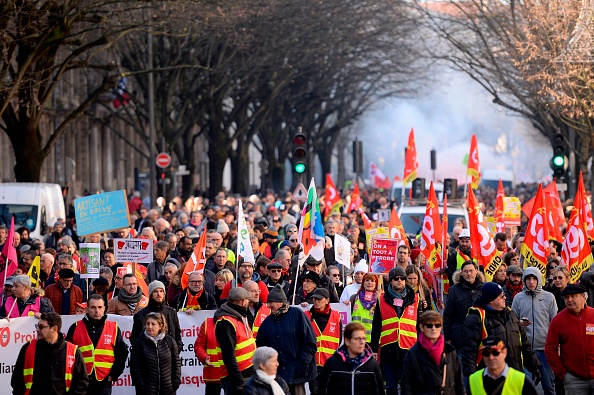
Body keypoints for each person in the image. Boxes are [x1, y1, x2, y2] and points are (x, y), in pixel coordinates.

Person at [460, 282, 540, 381]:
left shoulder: (511, 315)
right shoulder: (476, 318)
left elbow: (524, 344)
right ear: (491, 300)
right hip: (490, 379)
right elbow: (469, 351)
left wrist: (535, 366)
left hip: (514, 376)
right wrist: (471, 376)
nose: (505, 298)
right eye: (501, 296)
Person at [256, 284, 317, 395]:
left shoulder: (297, 314)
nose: (268, 305)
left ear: (280, 302)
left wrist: (301, 366)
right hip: (277, 376)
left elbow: (310, 343)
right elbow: (261, 347)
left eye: (271, 302)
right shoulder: (267, 323)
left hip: (296, 375)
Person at [11, 312, 89, 395]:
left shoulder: (73, 351)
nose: (37, 329)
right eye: (37, 326)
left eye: (41, 327)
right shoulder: (28, 347)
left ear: (55, 328)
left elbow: (81, 383)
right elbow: (17, 380)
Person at [370, 266, 420, 395]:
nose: (400, 281)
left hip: (409, 348)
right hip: (389, 348)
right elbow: (376, 326)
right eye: (396, 278)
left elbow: (420, 326)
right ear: (391, 281)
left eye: (402, 278)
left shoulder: (415, 299)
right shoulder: (381, 299)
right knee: (391, 387)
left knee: (407, 387)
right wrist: (374, 349)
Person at [66, 294, 129, 395]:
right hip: (81, 380)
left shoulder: (113, 328)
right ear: (87, 309)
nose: (97, 311)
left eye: (100, 307)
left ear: (104, 308)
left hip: (104, 380)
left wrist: (114, 374)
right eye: (93, 307)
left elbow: (122, 353)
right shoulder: (75, 327)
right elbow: (67, 354)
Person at [511, 266, 557, 395]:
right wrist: (520, 323)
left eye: (534, 279)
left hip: (544, 348)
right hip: (526, 350)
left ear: (539, 280)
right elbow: (512, 323)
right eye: (528, 279)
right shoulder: (518, 298)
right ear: (524, 280)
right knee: (527, 388)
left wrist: (555, 346)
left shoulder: (549, 297)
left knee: (548, 386)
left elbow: (554, 323)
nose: (531, 282)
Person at [401, 310, 466, 394]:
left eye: (437, 325)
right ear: (421, 327)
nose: (433, 329)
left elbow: (459, 385)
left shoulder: (450, 352)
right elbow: (406, 387)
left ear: (441, 327)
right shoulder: (413, 354)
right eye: (429, 325)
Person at [545, 283, 594, 394]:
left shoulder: (593, 315)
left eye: (573, 296)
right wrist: (562, 374)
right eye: (566, 297)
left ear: (583, 297)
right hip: (574, 380)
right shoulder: (558, 320)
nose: (569, 300)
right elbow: (549, 349)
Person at [318, 322, 385, 395]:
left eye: (363, 338)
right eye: (357, 339)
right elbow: (323, 391)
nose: (362, 342)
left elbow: (380, 392)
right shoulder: (332, 363)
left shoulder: (372, 365)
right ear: (347, 341)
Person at [215, 287, 257, 395]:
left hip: (246, 375)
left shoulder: (238, 317)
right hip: (236, 378)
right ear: (243, 302)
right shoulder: (225, 322)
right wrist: (238, 381)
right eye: (248, 300)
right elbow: (228, 355)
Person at [130, 311, 182, 395]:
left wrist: (175, 383)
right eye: (147, 324)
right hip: (146, 391)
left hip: (168, 390)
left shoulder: (170, 341)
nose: (150, 327)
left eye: (153, 324)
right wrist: (141, 386)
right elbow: (134, 366)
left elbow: (176, 363)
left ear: (160, 326)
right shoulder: (139, 342)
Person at [304, 288, 342, 395]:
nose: (316, 301)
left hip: (330, 364)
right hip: (312, 364)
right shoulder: (306, 316)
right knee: (315, 392)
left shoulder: (337, 316)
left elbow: (339, 340)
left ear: (327, 300)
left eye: (319, 299)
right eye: (315, 299)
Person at [469, 336, 537, 395]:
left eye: (495, 353)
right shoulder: (473, 379)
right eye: (486, 353)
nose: (491, 357)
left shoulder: (520, 379)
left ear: (504, 352)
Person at [130, 280, 183, 352]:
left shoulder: (171, 312)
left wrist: (176, 350)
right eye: (155, 291)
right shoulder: (140, 315)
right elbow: (134, 339)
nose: (159, 294)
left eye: (161, 291)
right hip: (148, 358)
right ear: (151, 294)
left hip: (169, 357)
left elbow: (177, 333)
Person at [443, 261, 484, 351]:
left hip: (481, 337)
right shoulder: (454, 290)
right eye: (466, 271)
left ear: (476, 271)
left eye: (471, 271)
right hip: (460, 338)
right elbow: (447, 315)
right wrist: (448, 337)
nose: (469, 274)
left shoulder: (484, 288)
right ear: (461, 273)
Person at [350, 272, 379, 342]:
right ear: (363, 283)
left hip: (372, 341)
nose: (369, 283)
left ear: (376, 284)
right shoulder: (354, 298)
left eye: (372, 281)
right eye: (367, 280)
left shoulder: (380, 299)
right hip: (355, 339)